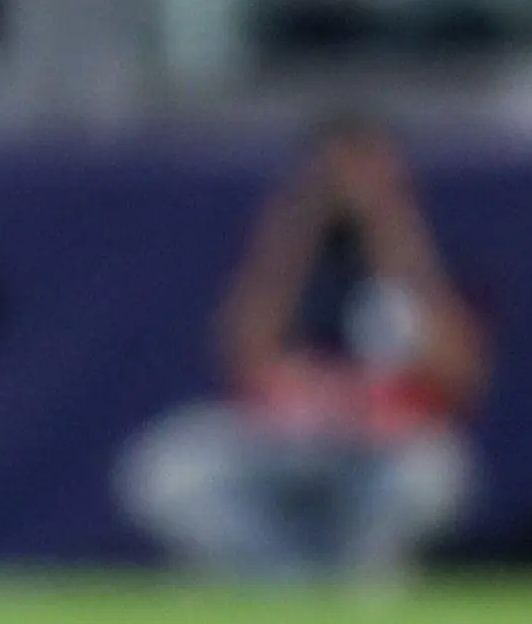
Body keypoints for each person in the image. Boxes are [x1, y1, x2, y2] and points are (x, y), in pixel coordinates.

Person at [119, 120, 487, 581]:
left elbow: (459, 375)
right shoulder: (291, 256)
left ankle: (362, 575)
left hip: (377, 447)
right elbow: (241, 354)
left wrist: (388, 221)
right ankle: (279, 582)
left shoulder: (417, 257)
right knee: (167, 468)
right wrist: (299, 219)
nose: (348, 186)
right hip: (286, 442)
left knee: (435, 472)